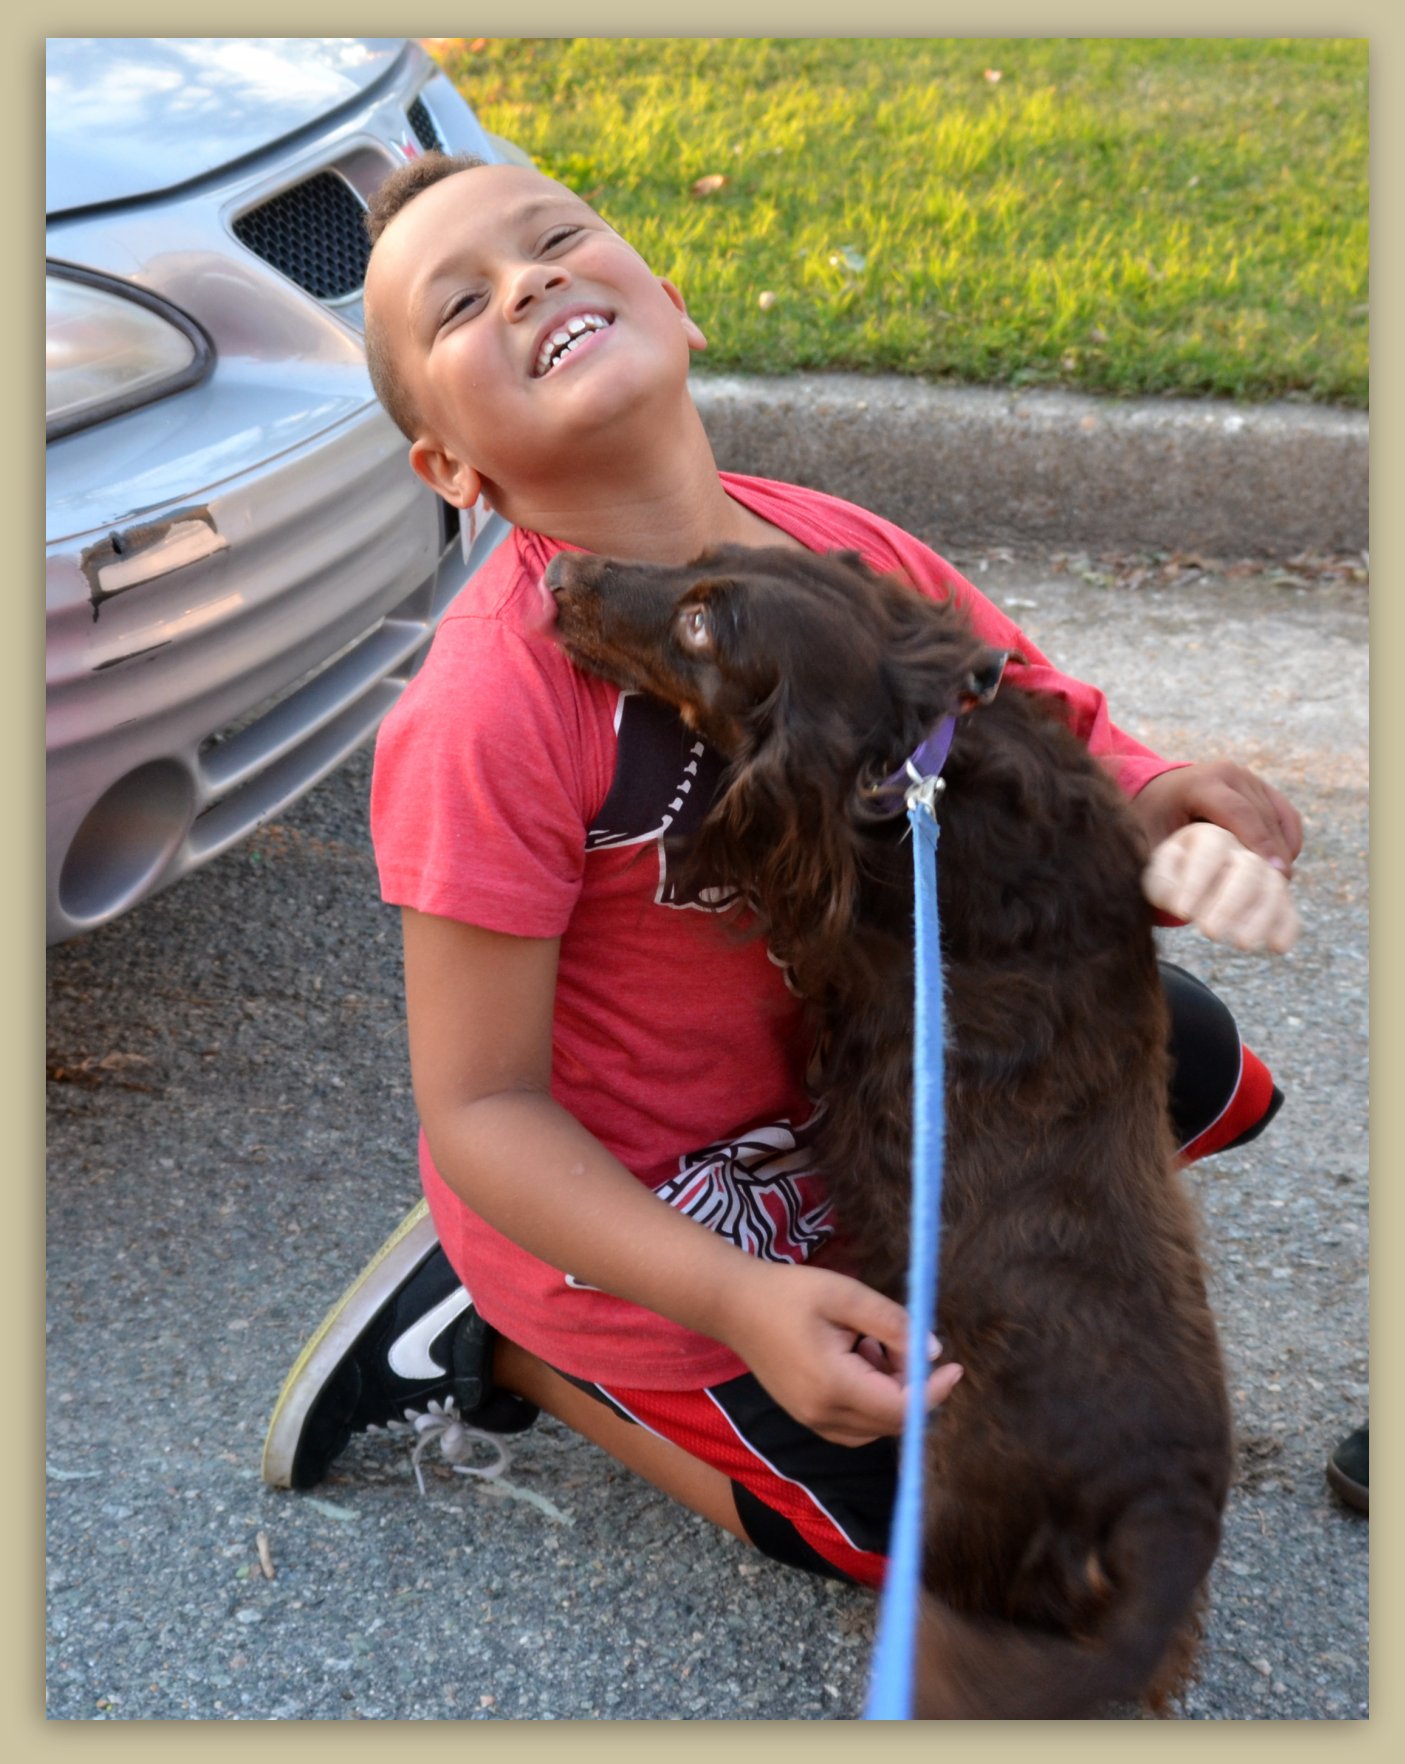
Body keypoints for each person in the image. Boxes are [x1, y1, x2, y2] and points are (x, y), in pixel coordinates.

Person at [262, 152, 1302, 1585]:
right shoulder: (484, 716)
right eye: (460, 304)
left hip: (867, 1090)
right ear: (449, 467)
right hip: (685, 1192)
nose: (529, 280)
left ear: (676, 308)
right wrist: (740, 1300)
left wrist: (1170, 810)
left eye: (555, 237)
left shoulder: (838, 545)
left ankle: (850, 1283)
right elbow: (480, 1101)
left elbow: (1054, 744)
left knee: (1184, 1056)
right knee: (953, 1552)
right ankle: (499, 1338)